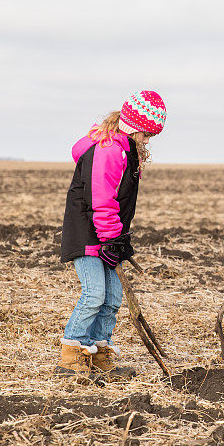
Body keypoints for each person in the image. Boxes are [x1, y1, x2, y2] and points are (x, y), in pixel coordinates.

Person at [55, 91, 166, 380]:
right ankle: (72, 355)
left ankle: (99, 353)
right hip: (88, 235)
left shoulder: (126, 150)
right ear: (133, 126)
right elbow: (102, 200)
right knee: (94, 294)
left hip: (106, 234)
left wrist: (120, 239)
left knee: (113, 297)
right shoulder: (109, 150)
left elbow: (121, 203)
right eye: (146, 134)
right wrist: (110, 240)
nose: (146, 141)